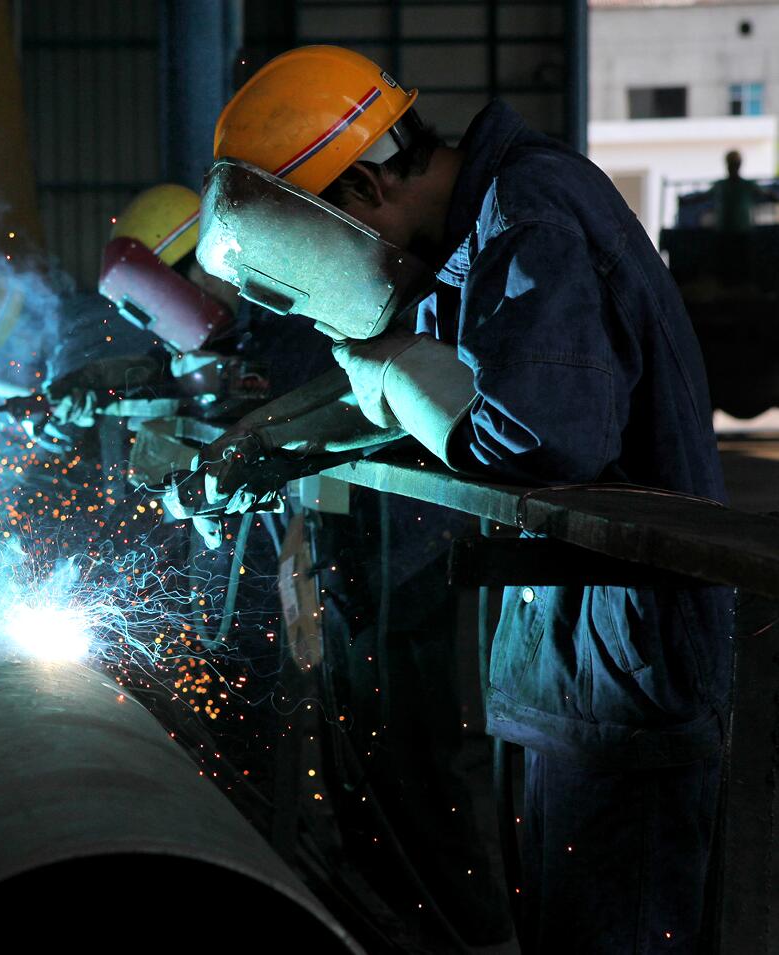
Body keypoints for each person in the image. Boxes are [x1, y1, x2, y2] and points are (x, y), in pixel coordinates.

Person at [184, 45, 732, 954]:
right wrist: (267, 437)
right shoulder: (466, 239)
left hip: (634, 656)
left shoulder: (529, 213)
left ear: (362, 190)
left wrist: (391, 372)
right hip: (575, 656)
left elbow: (534, 434)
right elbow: (417, 392)